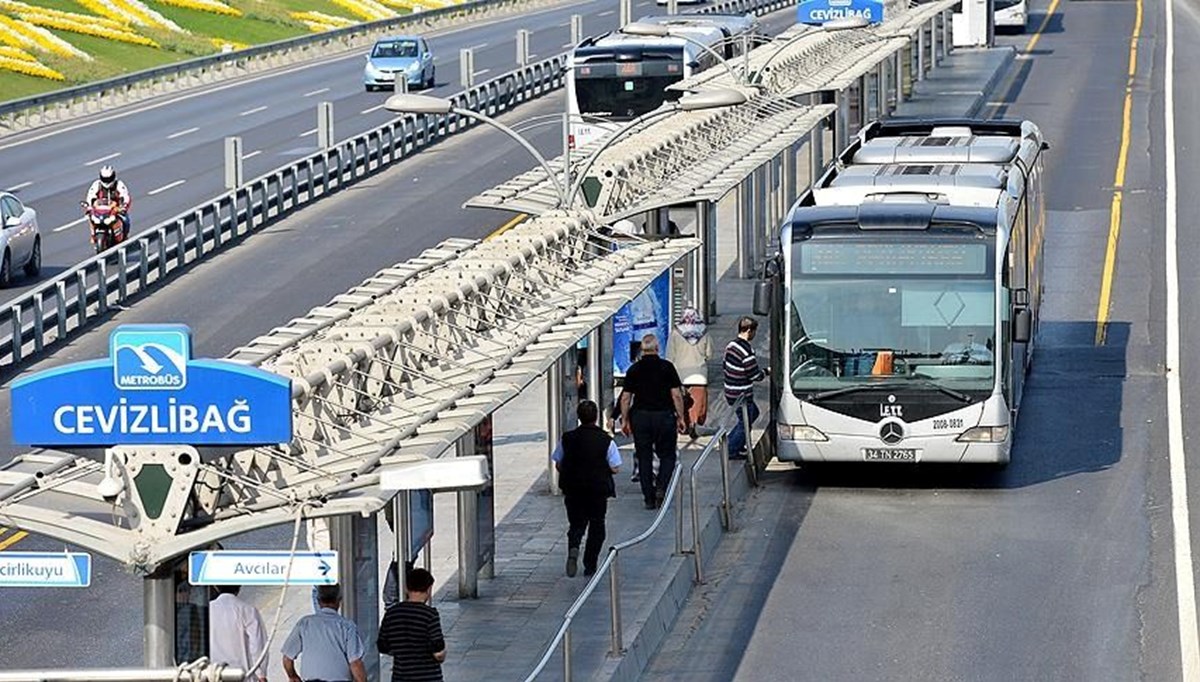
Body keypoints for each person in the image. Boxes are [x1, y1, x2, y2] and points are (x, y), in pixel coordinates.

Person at [551, 399, 621, 576]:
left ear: (579, 417)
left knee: (576, 524)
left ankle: (574, 547)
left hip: (573, 489)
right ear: (596, 417)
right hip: (597, 491)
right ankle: (590, 564)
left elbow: (558, 462)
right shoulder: (606, 441)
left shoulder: (567, 438)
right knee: (597, 526)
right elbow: (615, 467)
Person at [620, 333, 687, 509]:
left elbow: (626, 398)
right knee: (668, 455)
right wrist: (680, 417)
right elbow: (676, 395)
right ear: (657, 349)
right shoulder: (667, 367)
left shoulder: (634, 370)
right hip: (663, 416)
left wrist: (625, 420)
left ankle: (648, 498)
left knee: (644, 457)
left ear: (642, 350)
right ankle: (662, 487)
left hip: (640, 417)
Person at [281, 584, 367, 682]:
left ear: (318, 601)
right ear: (339, 600)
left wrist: (293, 676)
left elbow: (287, 658)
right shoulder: (347, 626)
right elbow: (355, 663)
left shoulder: (305, 623)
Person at [377, 568, 446, 681]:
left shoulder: (392, 613)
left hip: (401, 677)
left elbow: (382, 646)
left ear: (406, 588)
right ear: (428, 589)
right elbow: (438, 652)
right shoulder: (430, 615)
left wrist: (402, 651)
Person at [723, 316, 767, 460]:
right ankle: (731, 448)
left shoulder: (731, 346)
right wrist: (766, 372)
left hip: (730, 390)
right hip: (741, 393)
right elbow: (754, 375)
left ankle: (735, 442)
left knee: (753, 413)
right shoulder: (746, 350)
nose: (755, 334)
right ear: (749, 330)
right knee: (746, 421)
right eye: (754, 331)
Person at [207, 585, 268, 682]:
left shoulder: (207, 610)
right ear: (239, 587)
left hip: (213, 675)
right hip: (242, 675)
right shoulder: (248, 610)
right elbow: (257, 645)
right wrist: (261, 674)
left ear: (216, 587)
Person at [667, 306, 711, 439]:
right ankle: (695, 424)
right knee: (697, 402)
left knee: (681, 400)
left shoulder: (675, 332)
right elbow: (709, 354)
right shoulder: (704, 332)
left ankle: (683, 424)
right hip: (699, 374)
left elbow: (669, 355)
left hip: (679, 373)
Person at [83, 165, 132, 240]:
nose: (107, 181)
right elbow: (90, 196)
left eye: (109, 179)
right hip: (100, 210)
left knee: (126, 220)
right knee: (91, 218)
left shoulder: (119, 184)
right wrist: (89, 207)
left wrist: (124, 206)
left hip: (115, 209)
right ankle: (93, 236)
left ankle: (124, 237)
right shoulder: (97, 184)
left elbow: (125, 196)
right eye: (105, 179)